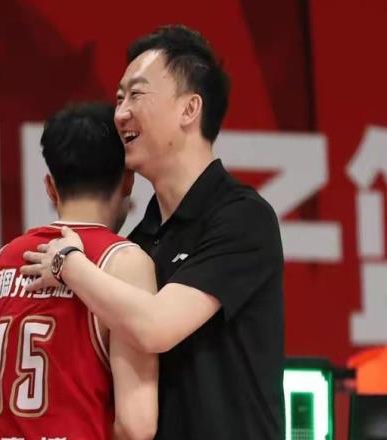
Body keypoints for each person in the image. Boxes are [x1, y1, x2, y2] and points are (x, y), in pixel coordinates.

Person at [22, 25, 285, 439]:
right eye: (119, 98)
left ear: (189, 109)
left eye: (136, 94)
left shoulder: (242, 217)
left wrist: (68, 264)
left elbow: (157, 327)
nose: (120, 114)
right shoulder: (137, 243)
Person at [0, 102, 158, 440]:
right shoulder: (124, 262)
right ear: (128, 181)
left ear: (50, 186)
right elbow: (136, 426)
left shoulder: (2, 261)